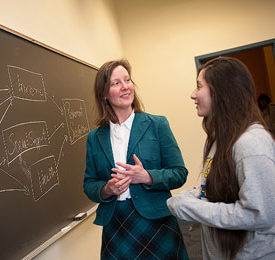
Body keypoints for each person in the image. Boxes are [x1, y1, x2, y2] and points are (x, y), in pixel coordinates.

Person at [167, 57, 275, 260]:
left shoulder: (252, 143)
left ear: (222, 92)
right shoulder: (217, 140)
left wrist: (193, 208)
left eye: (199, 86)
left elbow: (259, 213)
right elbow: (213, 189)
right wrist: (191, 196)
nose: (192, 95)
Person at [83, 59, 189, 259]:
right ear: (104, 94)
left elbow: (179, 173)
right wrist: (107, 189)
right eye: (116, 83)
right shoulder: (94, 138)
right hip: (116, 225)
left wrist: (147, 176)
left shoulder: (157, 124)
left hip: (157, 222)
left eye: (127, 80)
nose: (125, 87)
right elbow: (89, 184)